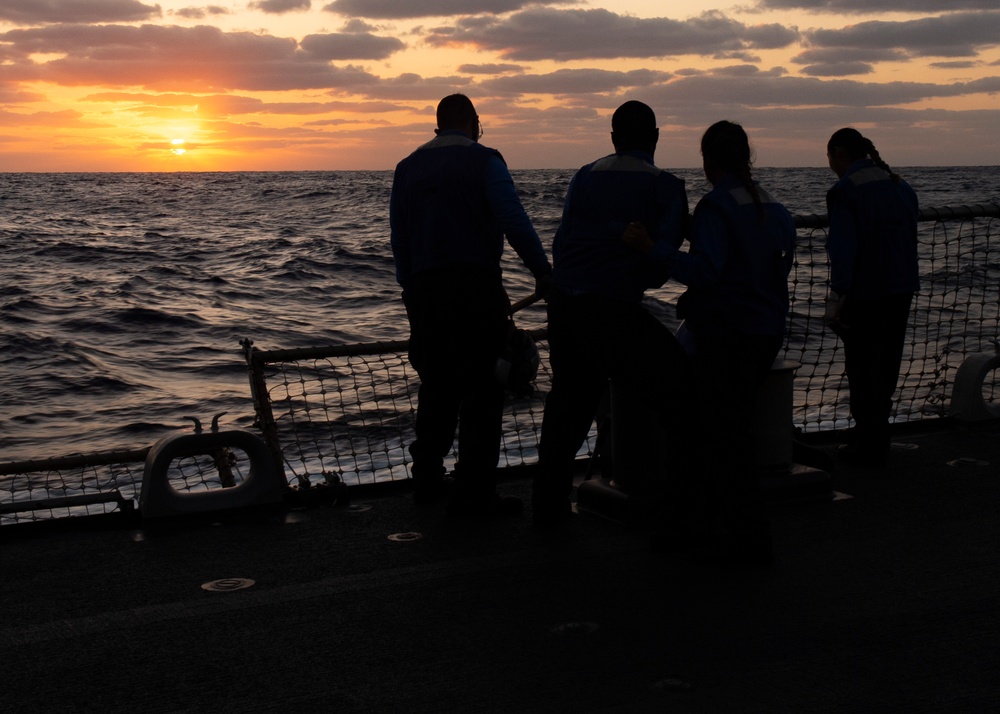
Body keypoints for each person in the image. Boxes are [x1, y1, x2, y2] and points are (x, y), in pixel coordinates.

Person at [625, 120, 795, 564]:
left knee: (721, 437)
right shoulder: (775, 207)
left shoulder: (716, 208)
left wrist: (652, 249)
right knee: (729, 430)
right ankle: (724, 523)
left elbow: (704, 270)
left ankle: (745, 534)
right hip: (765, 333)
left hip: (727, 336)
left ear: (708, 161)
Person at [389, 93, 552, 516]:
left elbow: (400, 241)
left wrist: (410, 292)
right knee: (483, 388)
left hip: (425, 291)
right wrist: (543, 273)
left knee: (438, 384)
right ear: (475, 122)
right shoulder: (486, 161)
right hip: (476, 287)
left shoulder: (406, 169)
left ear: (437, 124)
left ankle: (426, 477)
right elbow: (514, 221)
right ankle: (475, 491)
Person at [533, 100, 690, 526]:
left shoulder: (584, 176)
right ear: (655, 138)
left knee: (568, 403)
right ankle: (678, 505)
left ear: (613, 138)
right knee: (682, 392)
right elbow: (661, 265)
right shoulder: (668, 186)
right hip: (614, 309)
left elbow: (562, 242)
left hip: (566, 305)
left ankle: (546, 509)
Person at [824, 127, 919, 467]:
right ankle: (878, 430)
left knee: (861, 367)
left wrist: (839, 295)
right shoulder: (900, 185)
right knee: (887, 364)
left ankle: (869, 438)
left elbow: (843, 248)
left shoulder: (845, 191)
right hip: (902, 286)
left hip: (866, 292)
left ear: (838, 153)